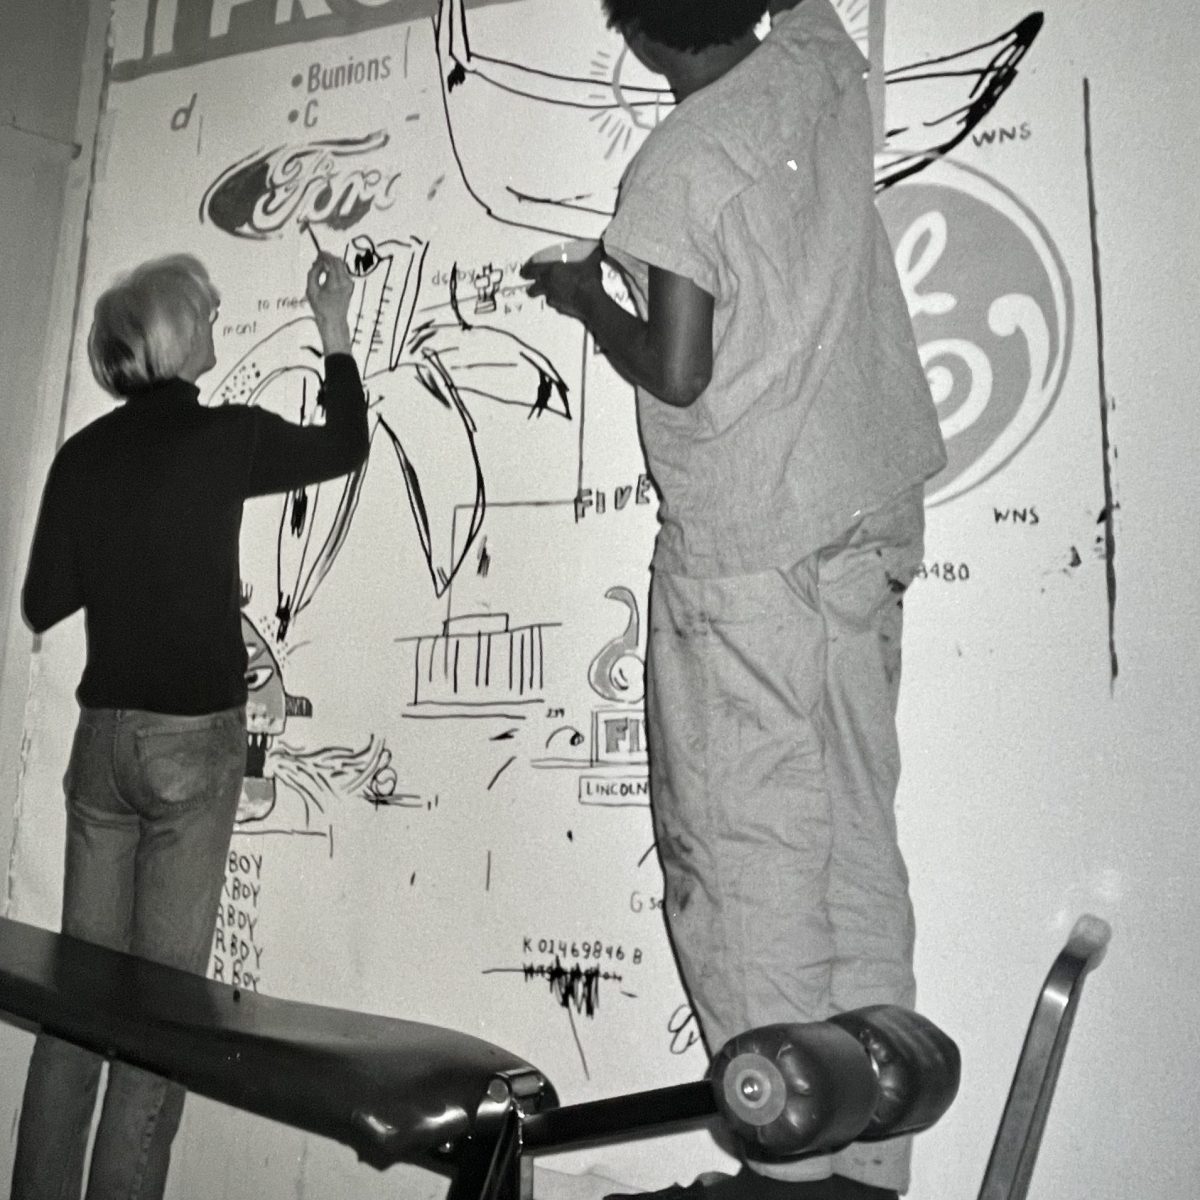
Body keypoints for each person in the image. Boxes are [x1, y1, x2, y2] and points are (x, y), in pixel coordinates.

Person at [522, 1, 946, 1197]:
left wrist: (585, 298)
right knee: (852, 844)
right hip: (864, 520)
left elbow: (678, 367)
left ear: (637, 33)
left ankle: (791, 1177)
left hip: (753, 544)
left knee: (749, 856)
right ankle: (868, 1165)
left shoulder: (680, 163)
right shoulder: (817, 61)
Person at [13, 249, 368, 1200]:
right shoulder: (226, 437)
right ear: (174, 334)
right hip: (187, 747)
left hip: (103, 746)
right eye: (205, 314)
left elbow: (44, 601)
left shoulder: (84, 456)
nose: (216, 324)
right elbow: (344, 446)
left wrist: (124, 550)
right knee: (159, 1026)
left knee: (78, 1011)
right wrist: (334, 327)